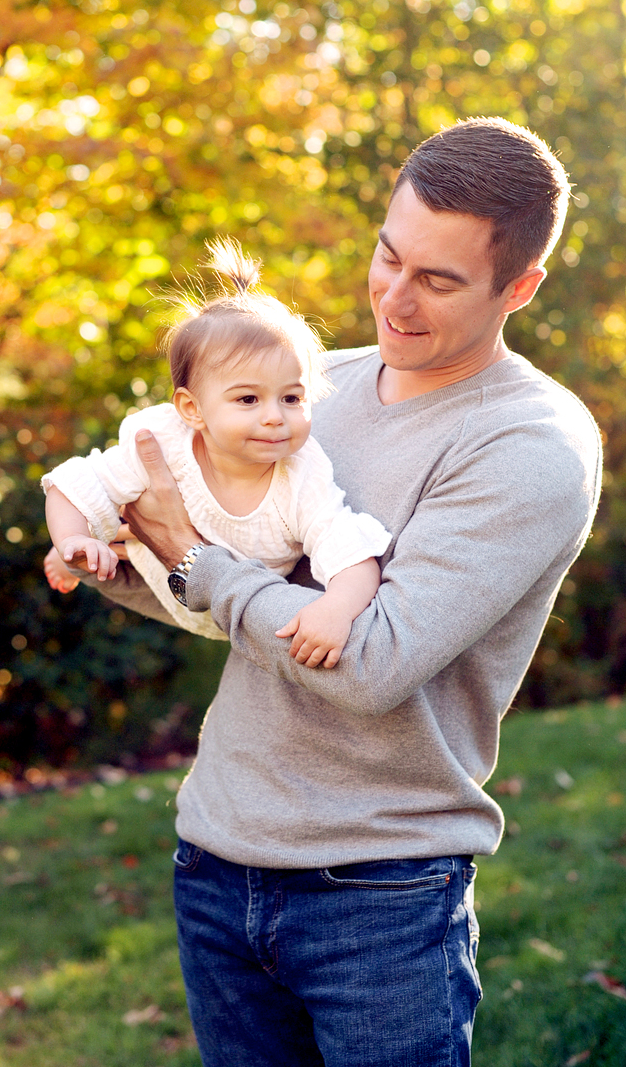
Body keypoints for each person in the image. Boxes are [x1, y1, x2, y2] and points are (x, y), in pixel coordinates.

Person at [71, 116, 602, 1067]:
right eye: (388, 256)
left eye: (438, 280)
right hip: (218, 858)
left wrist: (190, 553)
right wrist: (117, 556)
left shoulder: (530, 446)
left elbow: (368, 664)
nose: (394, 299)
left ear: (520, 288)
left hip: (380, 896)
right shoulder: (311, 390)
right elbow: (231, 597)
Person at [42, 240, 391, 666]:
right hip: (152, 568)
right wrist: (73, 537)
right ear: (193, 409)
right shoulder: (163, 440)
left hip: (237, 613)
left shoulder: (300, 476)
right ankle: (71, 557)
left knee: (115, 535)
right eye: (248, 400)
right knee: (96, 540)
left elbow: (352, 554)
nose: (275, 417)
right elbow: (75, 484)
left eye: (292, 398)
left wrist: (336, 609)